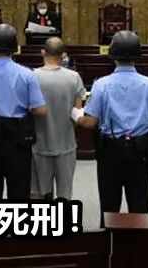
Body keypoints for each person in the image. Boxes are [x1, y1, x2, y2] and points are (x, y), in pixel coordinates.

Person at [74, 30, 148, 227]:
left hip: (111, 150)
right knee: (140, 204)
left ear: (112, 55)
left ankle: (109, 242)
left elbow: (90, 122)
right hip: (142, 151)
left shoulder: (101, 85)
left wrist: (74, 114)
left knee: (109, 205)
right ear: (138, 55)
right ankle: (139, 242)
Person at [0, 23, 47, 234]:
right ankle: (16, 236)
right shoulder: (27, 74)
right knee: (19, 191)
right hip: (18, 140)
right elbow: (40, 110)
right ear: (15, 48)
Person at [31, 37, 85, 201]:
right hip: (66, 145)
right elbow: (77, 112)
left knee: (37, 194)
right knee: (64, 195)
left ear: (43, 53)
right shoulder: (74, 77)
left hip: (38, 146)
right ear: (63, 55)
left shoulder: (32, 77)